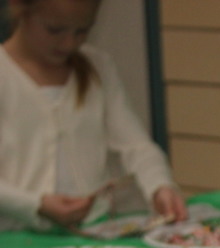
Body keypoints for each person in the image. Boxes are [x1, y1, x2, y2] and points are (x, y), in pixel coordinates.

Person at [0, 0, 187, 232]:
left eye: (82, 31)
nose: (69, 43)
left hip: (94, 230)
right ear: (20, 10)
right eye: (54, 30)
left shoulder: (98, 67)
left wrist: (160, 186)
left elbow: (137, 146)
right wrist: (36, 204)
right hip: (13, 239)